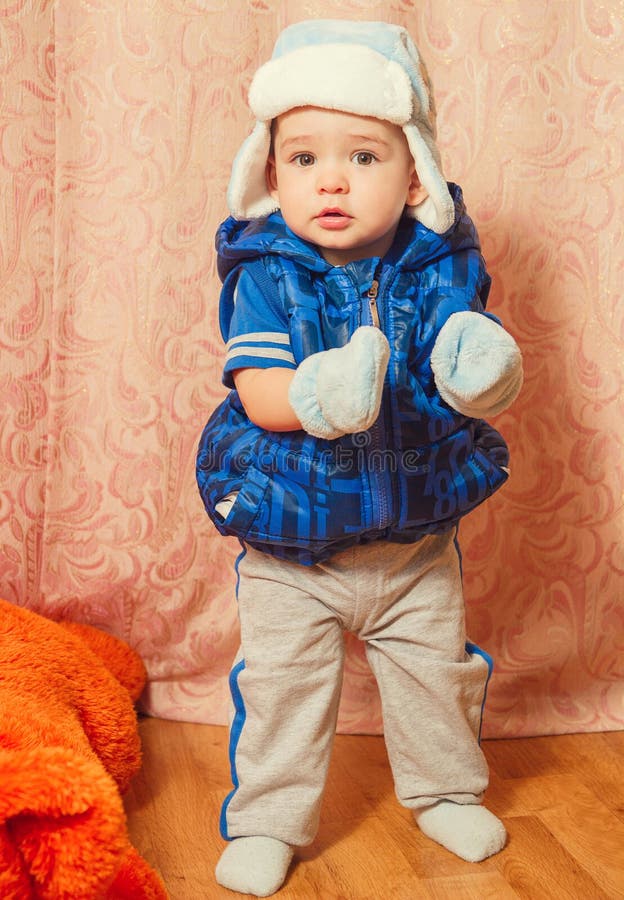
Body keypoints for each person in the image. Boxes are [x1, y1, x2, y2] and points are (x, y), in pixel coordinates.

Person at [197, 19, 523, 897]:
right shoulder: (266, 267)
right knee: (284, 689)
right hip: (290, 543)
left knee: (433, 677)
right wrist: (312, 398)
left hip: (413, 540)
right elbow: (258, 388)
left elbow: (462, 349)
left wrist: (481, 370)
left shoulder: (443, 260)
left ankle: (445, 790)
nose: (331, 179)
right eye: (303, 159)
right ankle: (268, 817)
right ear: (272, 172)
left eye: (364, 157)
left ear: (414, 168)